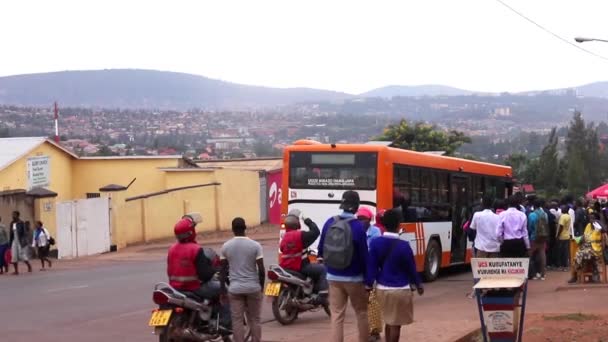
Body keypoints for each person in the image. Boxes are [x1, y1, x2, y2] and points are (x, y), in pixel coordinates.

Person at [318, 190, 370, 342]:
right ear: (356, 207)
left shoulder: (329, 222)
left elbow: (321, 249)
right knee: (361, 313)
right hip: (355, 279)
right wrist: (368, 280)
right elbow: (364, 255)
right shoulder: (358, 227)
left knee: (337, 315)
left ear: (342, 204)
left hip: (333, 277)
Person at [366, 209, 424, 342]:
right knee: (396, 324)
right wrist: (419, 284)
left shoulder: (375, 243)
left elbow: (372, 267)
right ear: (399, 225)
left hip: (382, 289)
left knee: (388, 320)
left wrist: (368, 284)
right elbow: (411, 269)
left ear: (383, 224)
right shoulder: (404, 246)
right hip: (401, 289)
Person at [166, 214, 230, 330]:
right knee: (225, 288)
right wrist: (215, 270)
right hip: (193, 288)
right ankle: (225, 323)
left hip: (175, 288)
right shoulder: (195, 249)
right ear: (191, 232)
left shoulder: (171, 249)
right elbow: (205, 275)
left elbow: (169, 271)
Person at [220, 217, 265, 342]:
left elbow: (222, 271)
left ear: (232, 229)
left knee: (237, 320)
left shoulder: (226, 246)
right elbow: (261, 270)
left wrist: (222, 290)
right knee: (255, 319)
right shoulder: (255, 246)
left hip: (235, 289)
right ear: (245, 228)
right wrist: (260, 288)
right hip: (253, 287)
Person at [279, 209, 328, 304]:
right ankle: (322, 295)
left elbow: (282, 249)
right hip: (300, 267)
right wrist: (306, 219)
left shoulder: (285, 236)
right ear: (297, 224)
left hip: (286, 267)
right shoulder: (301, 235)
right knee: (323, 269)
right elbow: (316, 231)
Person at [569, 211, 604, 284]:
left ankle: (576, 275)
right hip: (587, 247)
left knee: (579, 255)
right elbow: (585, 236)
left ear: (596, 219)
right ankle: (576, 275)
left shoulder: (599, 227)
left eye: (593, 218)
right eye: (590, 218)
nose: (591, 220)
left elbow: (595, 238)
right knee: (577, 254)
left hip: (595, 249)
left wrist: (598, 229)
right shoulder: (588, 225)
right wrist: (579, 238)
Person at [527, 199, 549, 280]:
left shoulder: (532, 215)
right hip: (543, 236)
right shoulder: (545, 214)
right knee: (542, 254)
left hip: (534, 237)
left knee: (530, 255)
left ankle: (532, 274)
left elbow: (529, 227)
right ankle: (543, 274)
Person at [556, 205, 572, 272]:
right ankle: (566, 266)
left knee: (561, 252)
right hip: (567, 235)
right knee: (566, 252)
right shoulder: (568, 216)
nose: (561, 209)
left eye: (563, 208)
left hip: (562, 236)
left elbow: (561, 227)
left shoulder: (563, 217)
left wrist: (557, 235)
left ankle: (562, 266)